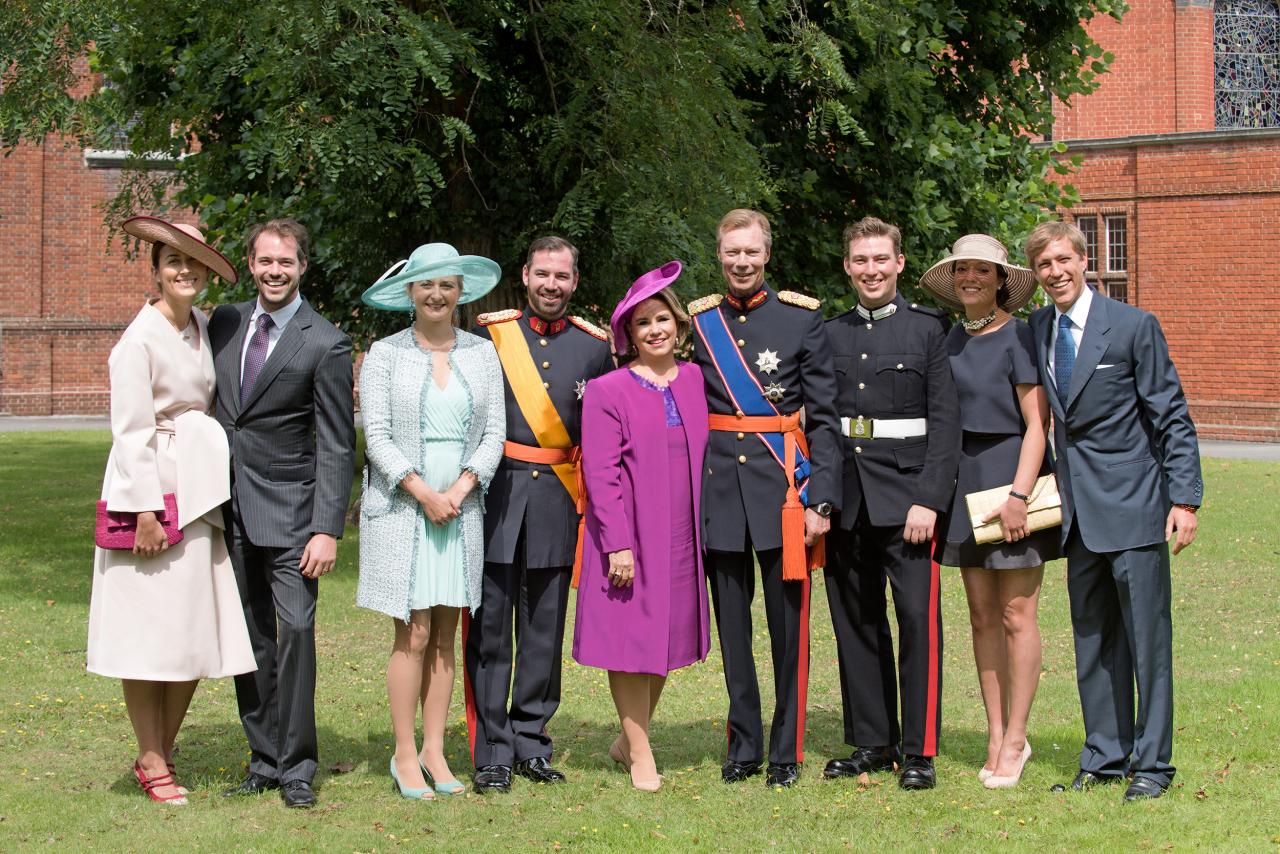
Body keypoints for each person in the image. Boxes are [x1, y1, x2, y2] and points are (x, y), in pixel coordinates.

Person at [1025, 221, 1201, 802]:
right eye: (1044, 265)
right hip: (1077, 515)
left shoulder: (1132, 327)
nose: (1055, 273)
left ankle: (1152, 766)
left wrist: (1184, 499)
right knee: (1094, 640)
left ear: (1084, 259)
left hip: (1135, 507)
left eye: (1063, 260)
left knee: (1147, 643)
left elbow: (1170, 414)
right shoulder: (1039, 327)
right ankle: (1104, 757)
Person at [88, 216, 255, 805]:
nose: (184, 271)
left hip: (200, 491)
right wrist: (146, 513)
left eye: (194, 262)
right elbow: (130, 431)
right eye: (171, 262)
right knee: (148, 631)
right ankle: (152, 757)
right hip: (153, 493)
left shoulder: (203, 328)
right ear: (155, 271)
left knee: (189, 626)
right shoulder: (137, 341)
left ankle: (161, 744)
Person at [687, 209, 841, 789]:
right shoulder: (699, 322)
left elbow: (824, 418)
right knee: (734, 629)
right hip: (721, 494)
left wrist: (820, 501)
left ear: (767, 254)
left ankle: (786, 750)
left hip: (785, 494)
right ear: (720, 255)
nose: (742, 262)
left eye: (751, 252)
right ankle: (743, 745)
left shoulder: (801, 319)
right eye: (732, 253)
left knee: (788, 629)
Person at [210, 218, 356, 809]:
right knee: (250, 637)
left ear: (301, 268)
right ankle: (263, 757)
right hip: (228, 507)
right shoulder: (224, 322)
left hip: (296, 514)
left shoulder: (325, 340)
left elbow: (337, 442)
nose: (275, 271)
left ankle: (297, 765)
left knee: (294, 633)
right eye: (266, 260)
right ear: (251, 263)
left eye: (286, 262)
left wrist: (326, 527)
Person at [356, 244, 506, 800]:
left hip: (460, 504)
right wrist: (422, 491)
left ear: (460, 291)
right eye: (425, 285)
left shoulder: (481, 353)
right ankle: (402, 752)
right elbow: (377, 435)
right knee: (413, 631)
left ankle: (435, 750)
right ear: (409, 293)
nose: (436, 294)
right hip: (406, 505)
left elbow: (494, 432)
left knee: (447, 634)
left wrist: (461, 488)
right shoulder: (385, 353)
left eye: (446, 284)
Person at [465, 236, 614, 792]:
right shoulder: (488, 336)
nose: (552, 285)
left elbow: (599, 434)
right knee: (492, 632)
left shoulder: (595, 347)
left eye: (563, 276)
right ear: (524, 275)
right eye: (543, 274)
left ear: (575, 282)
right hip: (497, 498)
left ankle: (532, 743)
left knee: (543, 632)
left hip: (557, 499)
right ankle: (491, 751)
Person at [822, 216, 960, 791]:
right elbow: (825, 424)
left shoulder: (931, 330)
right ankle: (873, 742)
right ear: (848, 267)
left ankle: (919, 748)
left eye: (881, 259)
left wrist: (929, 499)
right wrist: (824, 500)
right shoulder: (829, 334)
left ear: (900, 263)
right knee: (856, 623)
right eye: (860, 261)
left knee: (916, 622)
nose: (871, 270)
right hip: (848, 500)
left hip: (909, 503)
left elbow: (946, 423)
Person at [918, 233, 1060, 789]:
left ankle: (1019, 738)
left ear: (1002, 279)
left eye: (982, 269)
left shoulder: (1019, 335)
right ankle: (995, 732)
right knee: (981, 617)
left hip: (1011, 483)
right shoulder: (948, 339)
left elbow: (1036, 425)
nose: (971, 278)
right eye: (962, 270)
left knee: (1016, 615)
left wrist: (1020, 495)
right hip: (963, 485)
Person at [573, 262, 711, 792]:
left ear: (678, 324)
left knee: (666, 637)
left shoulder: (698, 380)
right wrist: (618, 546)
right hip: (629, 532)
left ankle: (628, 738)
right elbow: (601, 474)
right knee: (631, 641)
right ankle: (640, 750)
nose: (654, 330)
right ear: (627, 334)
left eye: (661, 319)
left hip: (682, 531)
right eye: (642, 324)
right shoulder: (609, 390)